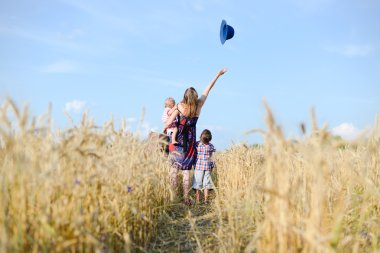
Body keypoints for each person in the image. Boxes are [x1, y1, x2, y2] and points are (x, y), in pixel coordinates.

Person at [164, 68, 227, 206]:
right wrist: (218, 75)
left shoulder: (180, 106)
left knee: (174, 170)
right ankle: (186, 199)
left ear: (185, 96)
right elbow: (207, 90)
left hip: (177, 141)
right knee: (186, 171)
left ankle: (173, 197)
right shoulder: (199, 105)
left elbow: (168, 122)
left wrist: (168, 122)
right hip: (190, 143)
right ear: (195, 96)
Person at [192, 129, 216, 204]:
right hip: (208, 167)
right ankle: (206, 200)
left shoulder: (197, 144)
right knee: (207, 184)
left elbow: (193, 155)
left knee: (197, 183)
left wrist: (192, 163)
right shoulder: (211, 146)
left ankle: (198, 200)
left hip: (198, 167)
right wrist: (212, 166)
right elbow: (212, 157)